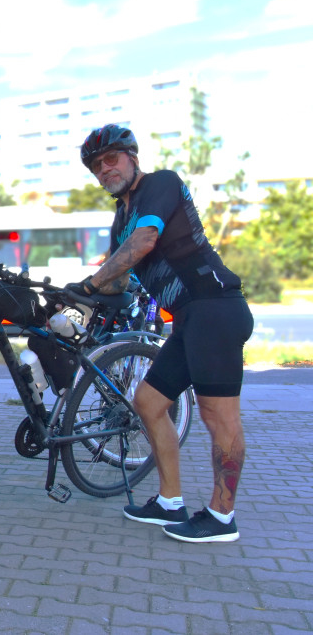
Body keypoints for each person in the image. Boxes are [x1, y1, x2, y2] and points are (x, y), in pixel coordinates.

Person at [71, 123, 253, 543]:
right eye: (96, 167)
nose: (104, 170)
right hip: (190, 319)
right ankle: (170, 501)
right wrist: (71, 293)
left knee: (218, 415)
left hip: (215, 308)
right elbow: (118, 276)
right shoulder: (121, 219)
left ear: (132, 157)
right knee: (149, 402)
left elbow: (146, 241)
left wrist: (92, 284)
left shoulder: (161, 184)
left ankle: (222, 517)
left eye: (111, 159)